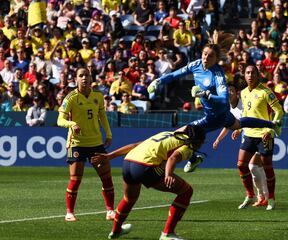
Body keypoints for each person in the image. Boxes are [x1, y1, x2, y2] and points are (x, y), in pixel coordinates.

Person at [148, 44, 281, 173]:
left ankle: (194, 158)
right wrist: (158, 81)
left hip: (215, 116)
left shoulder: (218, 75)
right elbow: (174, 75)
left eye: (210, 56)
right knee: (239, 123)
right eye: (205, 54)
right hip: (222, 114)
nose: (206, 58)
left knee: (182, 133)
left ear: (216, 59)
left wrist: (205, 94)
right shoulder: (196, 65)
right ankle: (272, 125)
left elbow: (224, 99)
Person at [91, 125, 206, 240]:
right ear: (197, 140)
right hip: (145, 167)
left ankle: (116, 231)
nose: (200, 145)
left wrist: (110, 156)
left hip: (128, 162)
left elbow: (136, 145)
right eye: (201, 142)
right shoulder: (187, 146)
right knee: (186, 191)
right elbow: (173, 158)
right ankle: (168, 233)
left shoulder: (165, 134)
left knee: (128, 199)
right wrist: (168, 174)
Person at [57, 67, 115, 222]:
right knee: (75, 178)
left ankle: (110, 211)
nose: (84, 78)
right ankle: (69, 212)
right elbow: (59, 120)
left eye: (87, 75)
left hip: (96, 143)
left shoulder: (98, 96)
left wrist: (108, 134)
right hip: (77, 143)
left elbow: (102, 116)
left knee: (106, 177)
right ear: (76, 79)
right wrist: (71, 123)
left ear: (91, 78)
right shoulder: (70, 98)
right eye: (81, 75)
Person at [233, 65, 284, 211]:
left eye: (252, 73)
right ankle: (250, 195)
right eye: (247, 73)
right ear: (244, 75)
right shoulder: (242, 93)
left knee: (267, 168)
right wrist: (240, 128)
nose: (250, 75)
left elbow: (279, 111)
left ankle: (271, 198)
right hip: (249, 134)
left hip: (264, 135)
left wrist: (270, 128)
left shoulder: (266, 92)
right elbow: (247, 114)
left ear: (258, 75)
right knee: (241, 165)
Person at [212, 84, 269, 208]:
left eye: (232, 91)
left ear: (236, 93)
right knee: (255, 167)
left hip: (259, 135)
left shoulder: (243, 103)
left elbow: (252, 118)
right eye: (227, 92)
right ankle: (263, 197)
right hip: (248, 138)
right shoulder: (229, 110)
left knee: (253, 166)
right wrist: (218, 139)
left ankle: (264, 196)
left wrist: (239, 129)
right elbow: (228, 126)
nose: (229, 93)